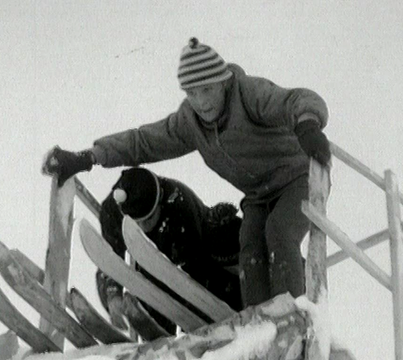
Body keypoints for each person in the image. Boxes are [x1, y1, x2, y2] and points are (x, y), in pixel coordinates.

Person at [42, 37, 331, 308]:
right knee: (250, 246)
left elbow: (296, 99)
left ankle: (291, 316)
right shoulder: (189, 122)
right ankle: (259, 325)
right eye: (192, 93)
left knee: (278, 232)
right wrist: (89, 157)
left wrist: (307, 123)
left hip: (299, 177)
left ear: (223, 82)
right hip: (258, 195)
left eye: (207, 90)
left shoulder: (248, 94)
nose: (202, 102)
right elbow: (143, 142)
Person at [95, 167, 243, 334]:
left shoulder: (181, 207)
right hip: (152, 258)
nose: (143, 227)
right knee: (149, 288)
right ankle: (162, 335)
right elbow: (110, 254)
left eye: (149, 218)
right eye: (138, 222)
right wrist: (112, 293)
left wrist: (198, 318)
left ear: (159, 203)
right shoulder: (114, 209)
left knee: (211, 280)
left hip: (200, 255)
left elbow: (197, 271)